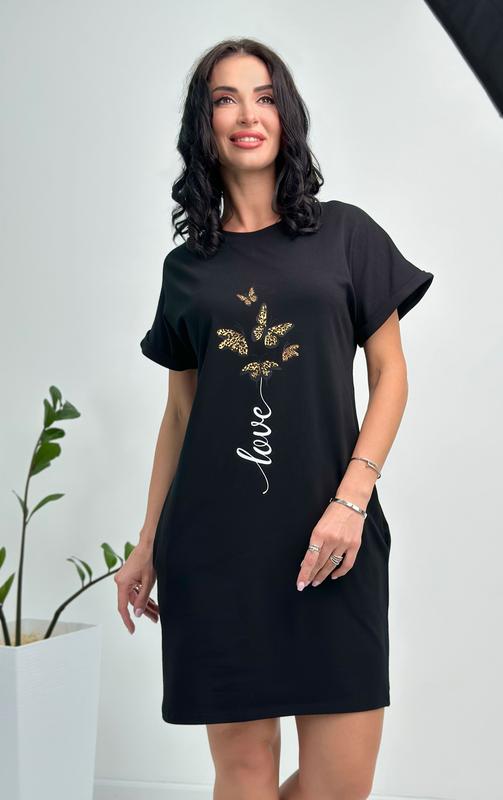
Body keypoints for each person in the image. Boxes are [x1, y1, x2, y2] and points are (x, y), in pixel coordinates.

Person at [115, 37, 434, 800]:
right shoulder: (186, 270)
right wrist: (147, 542)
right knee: (245, 774)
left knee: (340, 785)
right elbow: (181, 412)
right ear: (204, 125)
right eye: (225, 99)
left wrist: (352, 500)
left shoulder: (347, 234)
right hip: (216, 551)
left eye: (263, 97)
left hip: (335, 542)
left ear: (286, 116)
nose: (247, 114)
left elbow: (390, 375)